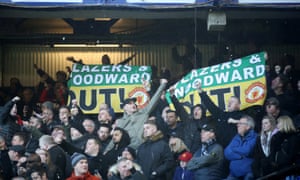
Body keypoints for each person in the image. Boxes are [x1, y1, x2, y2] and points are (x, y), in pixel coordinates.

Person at [105, 78, 168, 151]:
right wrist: (105, 152)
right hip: (130, 151)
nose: (133, 104)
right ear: (124, 108)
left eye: (134, 103)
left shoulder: (143, 112)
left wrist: (163, 85)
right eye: (130, 103)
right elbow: (114, 140)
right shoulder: (120, 121)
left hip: (145, 147)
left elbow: (155, 99)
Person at [196, 82, 244, 148]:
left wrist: (236, 121)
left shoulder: (242, 116)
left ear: (239, 105)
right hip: (220, 149)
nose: (229, 103)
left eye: (232, 102)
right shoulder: (222, 114)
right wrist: (200, 91)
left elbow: (249, 125)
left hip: (235, 149)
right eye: (228, 102)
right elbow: (210, 105)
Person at [224, 115, 257, 180]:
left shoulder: (255, 137)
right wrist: (240, 156)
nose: (237, 125)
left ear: (248, 126)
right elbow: (226, 153)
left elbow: (247, 151)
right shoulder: (236, 137)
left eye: (240, 123)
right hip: (233, 174)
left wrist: (233, 149)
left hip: (247, 174)